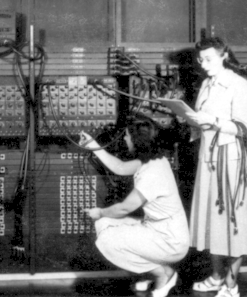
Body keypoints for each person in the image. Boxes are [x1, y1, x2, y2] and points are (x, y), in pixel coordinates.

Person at [183, 37, 247, 297]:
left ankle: (231, 284)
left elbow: (243, 128)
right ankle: (217, 276)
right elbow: (202, 123)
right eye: (200, 60)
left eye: (208, 59)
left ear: (224, 56)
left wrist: (212, 120)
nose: (203, 64)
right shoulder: (206, 84)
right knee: (212, 221)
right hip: (207, 160)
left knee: (235, 223)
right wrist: (189, 119)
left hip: (230, 161)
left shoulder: (238, 85)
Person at [80, 118, 189, 297]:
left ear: (138, 141)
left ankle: (163, 274)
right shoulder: (154, 160)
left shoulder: (152, 173)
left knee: (107, 239)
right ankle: (154, 272)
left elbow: (123, 208)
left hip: (170, 241)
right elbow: (120, 167)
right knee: (104, 223)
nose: (125, 139)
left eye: (128, 136)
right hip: (160, 231)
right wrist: (93, 144)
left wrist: (99, 212)